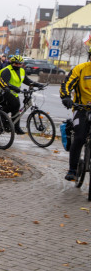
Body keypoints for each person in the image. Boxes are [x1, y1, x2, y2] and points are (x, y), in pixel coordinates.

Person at [60, 43, 91, 181]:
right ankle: (72, 169)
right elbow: (67, 83)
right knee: (79, 138)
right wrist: (66, 97)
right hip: (81, 109)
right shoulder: (81, 69)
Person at [0, 54, 43, 135]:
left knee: (17, 109)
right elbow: (4, 83)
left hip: (13, 93)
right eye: (16, 63)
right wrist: (14, 88)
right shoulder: (7, 70)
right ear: (12, 63)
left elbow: (27, 81)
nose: (18, 65)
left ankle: (15, 127)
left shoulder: (21, 70)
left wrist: (38, 84)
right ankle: (0, 115)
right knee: (16, 105)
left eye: (19, 64)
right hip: (2, 91)